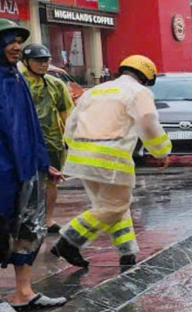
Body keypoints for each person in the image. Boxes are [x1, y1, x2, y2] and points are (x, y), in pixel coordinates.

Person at [0, 19, 68, 312]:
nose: (17, 47)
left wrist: (44, 164)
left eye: (19, 40)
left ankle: (23, 292)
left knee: (29, 230)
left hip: (27, 170)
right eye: (9, 41)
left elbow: (31, 127)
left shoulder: (15, 80)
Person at [51, 55, 171, 269]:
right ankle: (68, 241)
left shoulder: (96, 91)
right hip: (111, 157)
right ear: (145, 77)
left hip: (82, 155)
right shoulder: (139, 92)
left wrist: (72, 146)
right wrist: (161, 151)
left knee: (111, 205)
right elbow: (148, 122)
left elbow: (72, 121)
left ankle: (127, 253)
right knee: (115, 206)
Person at [19, 43, 74, 233]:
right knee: (25, 181)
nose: (43, 64)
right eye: (38, 60)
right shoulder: (17, 82)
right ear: (26, 62)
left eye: (46, 60)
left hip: (52, 141)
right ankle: (23, 219)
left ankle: (48, 219)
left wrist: (73, 139)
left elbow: (68, 114)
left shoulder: (55, 84)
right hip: (24, 141)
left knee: (52, 182)